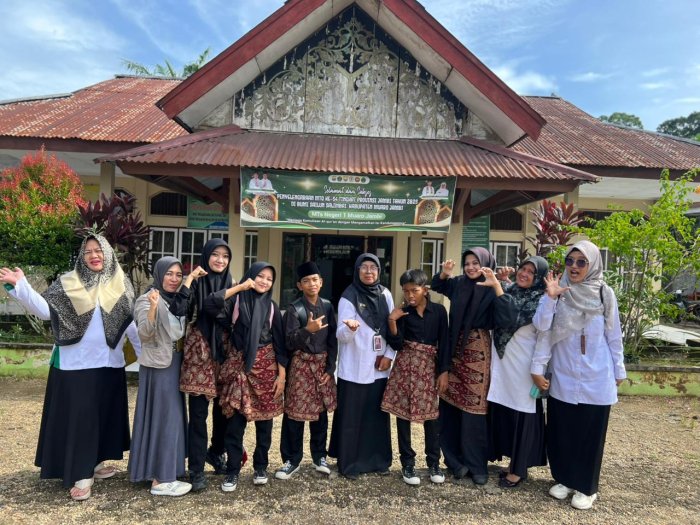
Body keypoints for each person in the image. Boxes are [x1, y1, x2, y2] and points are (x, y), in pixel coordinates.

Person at [0, 234, 140, 501]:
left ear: (108, 253)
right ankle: (81, 473)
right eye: (88, 251)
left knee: (103, 415)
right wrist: (22, 286)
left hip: (109, 363)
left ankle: (95, 462)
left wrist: (149, 360)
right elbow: (45, 311)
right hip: (76, 364)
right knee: (81, 419)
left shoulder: (120, 283)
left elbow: (131, 325)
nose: (94, 255)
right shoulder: (69, 282)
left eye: (98, 250)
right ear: (82, 256)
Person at [531, 240, 626, 510]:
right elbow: (542, 329)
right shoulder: (558, 290)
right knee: (563, 431)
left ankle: (586, 487)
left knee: (589, 435)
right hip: (565, 374)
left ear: (592, 264)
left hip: (597, 375)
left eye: (581, 262)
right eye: (570, 261)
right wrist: (550, 298)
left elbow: (614, 334)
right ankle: (565, 478)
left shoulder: (604, 293)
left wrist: (619, 369)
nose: (574, 266)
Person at [129, 257, 206, 496]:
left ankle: (164, 471)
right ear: (159, 274)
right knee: (165, 418)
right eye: (169, 274)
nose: (173, 279)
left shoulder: (177, 300)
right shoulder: (147, 298)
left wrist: (192, 279)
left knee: (172, 418)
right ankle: (160, 480)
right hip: (159, 366)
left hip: (176, 362)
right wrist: (153, 308)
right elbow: (144, 333)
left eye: (178, 275)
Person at [179, 239, 249, 491]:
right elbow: (193, 308)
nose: (220, 260)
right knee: (198, 415)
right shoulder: (196, 282)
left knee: (224, 410)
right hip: (199, 351)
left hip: (225, 351)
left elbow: (232, 317)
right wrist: (188, 280)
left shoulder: (232, 283)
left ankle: (216, 452)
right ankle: (196, 469)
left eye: (225, 256)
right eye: (215, 255)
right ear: (206, 256)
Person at [430, 247, 501, 485]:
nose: (471, 267)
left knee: (474, 409)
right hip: (454, 346)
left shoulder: (492, 285)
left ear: (486, 263)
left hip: (477, 349)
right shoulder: (458, 283)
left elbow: (506, 313)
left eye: (475, 263)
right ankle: (455, 462)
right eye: (467, 263)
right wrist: (444, 273)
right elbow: (437, 285)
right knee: (449, 405)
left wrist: (498, 284)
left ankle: (477, 464)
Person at [480, 257, 549, 489]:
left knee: (522, 414)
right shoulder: (512, 290)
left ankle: (518, 469)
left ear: (539, 278)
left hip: (523, 366)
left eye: (531, 272)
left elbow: (511, 318)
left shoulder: (540, 299)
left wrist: (538, 369)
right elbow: (503, 303)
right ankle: (510, 462)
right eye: (523, 268)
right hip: (503, 363)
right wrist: (503, 282)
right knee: (505, 410)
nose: (524, 274)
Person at [218, 261, 287, 492]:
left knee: (264, 423)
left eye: (269, 279)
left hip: (266, 370)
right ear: (250, 276)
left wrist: (281, 376)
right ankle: (232, 470)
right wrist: (238, 288)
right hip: (239, 369)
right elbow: (211, 307)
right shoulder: (236, 302)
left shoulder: (272, 308)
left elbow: (280, 344)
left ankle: (261, 467)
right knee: (235, 423)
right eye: (260, 276)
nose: (264, 282)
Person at [329, 253, 396, 479]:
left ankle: (378, 461)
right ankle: (350, 463)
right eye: (364, 267)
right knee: (352, 418)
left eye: (373, 267)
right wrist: (350, 328)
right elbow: (341, 335)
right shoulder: (349, 296)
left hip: (379, 366)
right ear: (357, 270)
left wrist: (389, 355)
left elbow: (392, 328)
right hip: (355, 367)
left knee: (375, 417)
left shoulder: (385, 294)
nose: (369, 272)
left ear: (379, 271)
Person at [381, 269, 449, 486]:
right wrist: (392, 321)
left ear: (425, 290)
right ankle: (407, 463)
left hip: (428, 367)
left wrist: (444, 372)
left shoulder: (439, 311)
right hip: (405, 367)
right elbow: (397, 344)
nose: (410, 295)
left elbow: (444, 342)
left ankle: (434, 462)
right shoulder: (402, 313)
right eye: (406, 291)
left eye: (414, 290)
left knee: (432, 416)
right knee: (403, 415)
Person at [275, 261, 338, 480]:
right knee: (295, 414)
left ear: (321, 282)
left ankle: (319, 456)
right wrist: (307, 330)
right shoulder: (295, 309)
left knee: (320, 413)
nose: (311, 284)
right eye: (306, 281)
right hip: (300, 366)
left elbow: (332, 340)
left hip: (321, 366)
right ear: (299, 285)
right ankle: (292, 459)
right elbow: (288, 342)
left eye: (315, 280)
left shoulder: (327, 306)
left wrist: (330, 368)